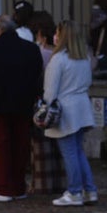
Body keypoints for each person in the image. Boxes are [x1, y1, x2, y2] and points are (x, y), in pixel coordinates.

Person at [0, 15, 44, 202]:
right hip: (23, 104)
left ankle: (4, 188)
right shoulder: (31, 49)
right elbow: (37, 74)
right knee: (20, 146)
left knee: (1, 147)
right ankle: (18, 186)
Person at [42, 20, 97, 207]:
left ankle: (75, 191)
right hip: (82, 106)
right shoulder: (84, 57)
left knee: (70, 153)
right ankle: (89, 190)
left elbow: (50, 91)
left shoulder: (58, 59)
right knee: (78, 151)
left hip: (66, 108)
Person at [29, 10, 66, 196]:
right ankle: (61, 182)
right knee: (60, 147)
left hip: (44, 103)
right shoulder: (62, 55)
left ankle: (42, 184)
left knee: (41, 146)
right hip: (63, 104)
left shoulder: (40, 52)